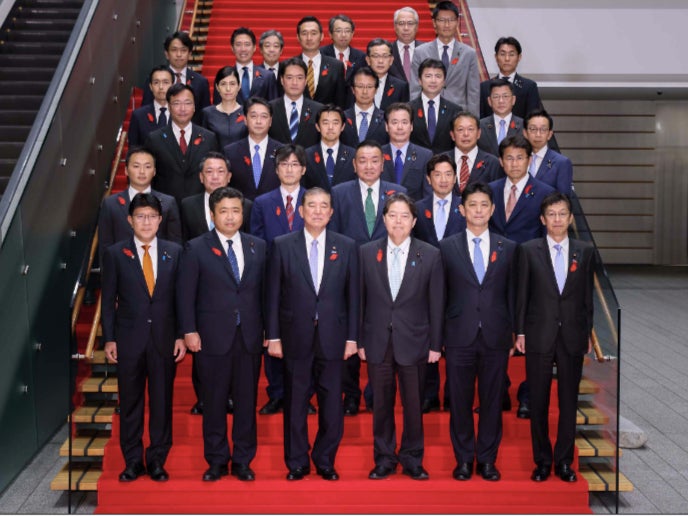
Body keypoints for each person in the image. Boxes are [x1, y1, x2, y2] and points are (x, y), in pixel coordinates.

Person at [266, 187, 359, 481]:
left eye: (324, 206)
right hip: (295, 336)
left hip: (334, 337)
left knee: (332, 402)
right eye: (312, 206)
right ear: (302, 211)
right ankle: (296, 462)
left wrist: (352, 338)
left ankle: (325, 459)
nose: (318, 211)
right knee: (295, 401)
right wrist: (274, 336)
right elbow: (273, 296)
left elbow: (353, 296)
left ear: (331, 213)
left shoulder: (346, 246)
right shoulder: (282, 244)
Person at [177, 187, 267, 482]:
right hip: (211, 337)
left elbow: (264, 294)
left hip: (249, 336)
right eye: (224, 211)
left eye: (236, 210)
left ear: (243, 214)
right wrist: (189, 330)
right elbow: (186, 294)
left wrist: (269, 330)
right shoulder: (196, 247)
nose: (230, 216)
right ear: (212, 214)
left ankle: (243, 459)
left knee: (246, 402)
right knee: (213, 402)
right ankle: (216, 460)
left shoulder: (258, 246)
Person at [359, 192, 444, 481]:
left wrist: (435, 344)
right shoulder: (367, 252)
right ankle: (384, 458)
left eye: (404, 216)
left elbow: (436, 302)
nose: (398, 221)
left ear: (414, 221)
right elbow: (359, 301)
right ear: (383, 219)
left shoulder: (430, 254)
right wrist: (358, 341)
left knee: (413, 404)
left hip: (415, 341)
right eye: (392, 215)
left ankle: (412, 458)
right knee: (381, 404)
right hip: (377, 342)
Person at [101, 193, 186, 483]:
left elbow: (181, 299)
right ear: (130, 220)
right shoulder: (115, 253)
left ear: (160, 220)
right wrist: (109, 338)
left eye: (152, 216)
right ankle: (133, 461)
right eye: (140, 217)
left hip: (164, 340)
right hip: (128, 340)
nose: (146, 222)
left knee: (162, 402)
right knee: (131, 402)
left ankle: (158, 460)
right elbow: (108, 299)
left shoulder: (174, 251)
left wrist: (180, 335)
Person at [515, 192, 596, 483]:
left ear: (570, 218)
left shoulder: (584, 251)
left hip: (572, 334)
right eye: (552, 214)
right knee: (537, 401)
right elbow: (521, 295)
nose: (557, 219)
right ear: (542, 219)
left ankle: (564, 462)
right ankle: (542, 461)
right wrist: (520, 331)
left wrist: (587, 332)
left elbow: (587, 297)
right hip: (538, 333)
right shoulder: (528, 250)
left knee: (568, 401)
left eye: (563, 214)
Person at [440, 182, 518, 482]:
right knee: (459, 401)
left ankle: (487, 460)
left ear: (493, 209)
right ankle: (463, 460)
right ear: (462, 210)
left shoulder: (507, 248)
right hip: (459, 335)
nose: (478, 210)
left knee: (491, 401)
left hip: (496, 336)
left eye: (484, 205)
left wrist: (514, 331)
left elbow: (512, 294)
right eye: (472, 205)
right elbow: (441, 294)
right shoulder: (447, 247)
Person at [329, 140, 407, 416]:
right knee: (350, 333)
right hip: (348, 275)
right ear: (354, 164)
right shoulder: (339, 193)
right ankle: (350, 394)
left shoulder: (398, 192)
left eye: (375, 160)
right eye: (363, 160)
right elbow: (334, 237)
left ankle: (378, 394)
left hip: (387, 278)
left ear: (383, 163)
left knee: (380, 336)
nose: (369, 166)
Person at [251, 145, 309, 417]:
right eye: (284, 165)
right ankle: (276, 394)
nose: (289, 169)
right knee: (273, 338)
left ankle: (303, 395)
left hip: (308, 283)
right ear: (276, 170)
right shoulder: (262, 203)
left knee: (305, 342)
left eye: (294, 164)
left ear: (303, 169)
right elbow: (258, 243)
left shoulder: (315, 200)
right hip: (272, 282)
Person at [98, 146, 182, 261]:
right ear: (126, 170)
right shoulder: (111, 204)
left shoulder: (168, 203)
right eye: (136, 166)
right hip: (123, 271)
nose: (142, 171)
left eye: (147, 167)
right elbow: (105, 246)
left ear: (154, 171)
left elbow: (175, 245)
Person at [146, 83, 220, 205]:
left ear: (194, 107)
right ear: (169, 107)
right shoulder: (154, 139)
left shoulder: (208, 137)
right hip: (165, 207)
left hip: (199, 207)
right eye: (176, 103)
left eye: (187, 103)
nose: (182, 108)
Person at [410, 1, 479, 116]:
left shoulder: (469, 54)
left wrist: (473, 122)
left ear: (457, 22)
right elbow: (415, 89)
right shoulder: (420, 52)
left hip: (459, 115)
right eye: (442, 20)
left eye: (451, 20)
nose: (447, 25)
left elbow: (473, 93)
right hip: (429, 113)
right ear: (434, 22)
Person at [489, 135, 555, 244]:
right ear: (501, 161)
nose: (514, 164)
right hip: (495, 256)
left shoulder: (546, 193)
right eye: (509, 158)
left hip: (528, 258)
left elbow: (547, 233)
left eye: (520, 158)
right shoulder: (490, 190)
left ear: (529, 160)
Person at [181, 152, 252, 242]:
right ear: (201, 177)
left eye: (220, 171)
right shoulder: (188, 205)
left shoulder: (246, 205)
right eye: (209, 171)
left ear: (229, 176)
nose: (215, 177)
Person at [142, 31, 210, 125]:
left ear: (189, 53)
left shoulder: (201, 82)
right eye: (174, 50)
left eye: (183, 50)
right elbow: (146, 111)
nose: (179, 54)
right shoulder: (154, 79)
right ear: (166, 54)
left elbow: (205, 116)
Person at [224, 96, 283, 200]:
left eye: (264, 116)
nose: (259, 121)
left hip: (273, 211)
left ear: (270, 121)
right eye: (253, 116)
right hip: (241, 211)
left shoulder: (282, 151)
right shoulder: (230, 152)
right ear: (245, 120)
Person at [479, 36, 543, 120]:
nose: (507, 59)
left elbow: (533, 120)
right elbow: (480, 120)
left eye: (511, 54)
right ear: (496, 57)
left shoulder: (529, 87)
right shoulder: (484, 87)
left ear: (519, 57)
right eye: (502, 54)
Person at [212, 27, 278, 106]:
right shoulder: (223, 76)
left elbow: (274, 107)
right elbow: (217, 108)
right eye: (238, 44)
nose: (243, 49)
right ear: (232, 48)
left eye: (247, 44)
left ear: (254, 48)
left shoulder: (268, 76)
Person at [268, 57, 323, 149]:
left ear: (305, 81)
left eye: (299, 78)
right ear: (282, 80)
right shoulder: (269, 108)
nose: (294, 82)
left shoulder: (318, 109)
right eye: (289, 78)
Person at [413, 154, 466, 249]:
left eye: (448, 174)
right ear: (428, 179)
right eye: (437, 175)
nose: (443, 180)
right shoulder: (418, 208)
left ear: (454, 178)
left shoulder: (465, 206)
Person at [381, 102, 432, 201]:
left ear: (411, 126)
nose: (400, 127)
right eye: (394, 122)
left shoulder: (425, 156)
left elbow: (427, 195)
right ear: (386, 126)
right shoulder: (377, 154)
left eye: (404, 122)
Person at [409, 59, 461, 154]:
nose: (433, 81)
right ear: (420, 80)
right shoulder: (408, 109)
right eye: (428, 76)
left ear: (444, 81)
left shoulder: (455, 110)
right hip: (415, 163)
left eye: (438, 76)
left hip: (444, 164)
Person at [443, 111, 503, 194]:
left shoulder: (493, 163)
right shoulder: (441, 160)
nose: (466, 134)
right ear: (452, 135)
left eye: (470, 129)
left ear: (478, 133)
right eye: (460, 130)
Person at [295, 16, 347, 108]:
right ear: (298, 37)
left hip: (327, 120)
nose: (309, 38)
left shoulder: (336, 66)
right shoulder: (290, 65)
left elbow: (341, 102)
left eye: (314, 33)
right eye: (304, 33)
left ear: (322, 36)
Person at [303, 104, 357, 191]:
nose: (330, 127)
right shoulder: (306, 155)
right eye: (325, 123)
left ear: (342, 127)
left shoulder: (353, 155)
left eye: (335, 123)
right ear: (317, 127)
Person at [523, 109, 573, 195]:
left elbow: (563, 198)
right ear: (525, 133)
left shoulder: (561, 163)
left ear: (549, 134)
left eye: (543, 129)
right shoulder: (517, 159)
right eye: (533, 129)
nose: (538, 134)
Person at [341, 67, 389, 147]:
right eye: (360, 86)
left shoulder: (386, 118)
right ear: (353, 89)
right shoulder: (342, 117)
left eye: (369, 87)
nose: (365, 92)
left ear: (376, 89)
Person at [202, 66, 248, 149]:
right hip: (215, 160)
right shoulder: (207, 113)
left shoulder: (246, 112)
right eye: (223, 84)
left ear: (239, 86)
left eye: (232, 84)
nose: (228, 89)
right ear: (217, 87)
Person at [478, 78, 524, 157]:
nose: (501, 101)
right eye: (496, 97)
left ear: (513, 100)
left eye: (505, 96)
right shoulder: (479, 126)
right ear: (489, 101)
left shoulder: (525, 126)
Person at [129, 66, 174, 146]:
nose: (161, 87)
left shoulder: (181, 113)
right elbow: (133, 149)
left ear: (173, 85)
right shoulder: (138, 115)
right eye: (156, 82)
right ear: (150, 86)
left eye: (165, 82)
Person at [365, 38, 410, 111]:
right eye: (376, 56)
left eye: (385, 56)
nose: (380, 61)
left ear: (391, 60)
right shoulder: (357, 84)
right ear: (368, 60)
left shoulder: (401, 86)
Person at [320, 14, 367, 81]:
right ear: (330, 34)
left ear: (352, 34)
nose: (343, 35)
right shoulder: (321, 54)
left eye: (347, 31)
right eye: (338, 31)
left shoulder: (361, 57)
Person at [389, 6, 423, 84]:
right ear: (395, 27)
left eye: (410, 23)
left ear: (417, 27)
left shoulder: (427, 50)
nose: (406, 28)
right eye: (401, 23)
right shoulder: (387, 51)